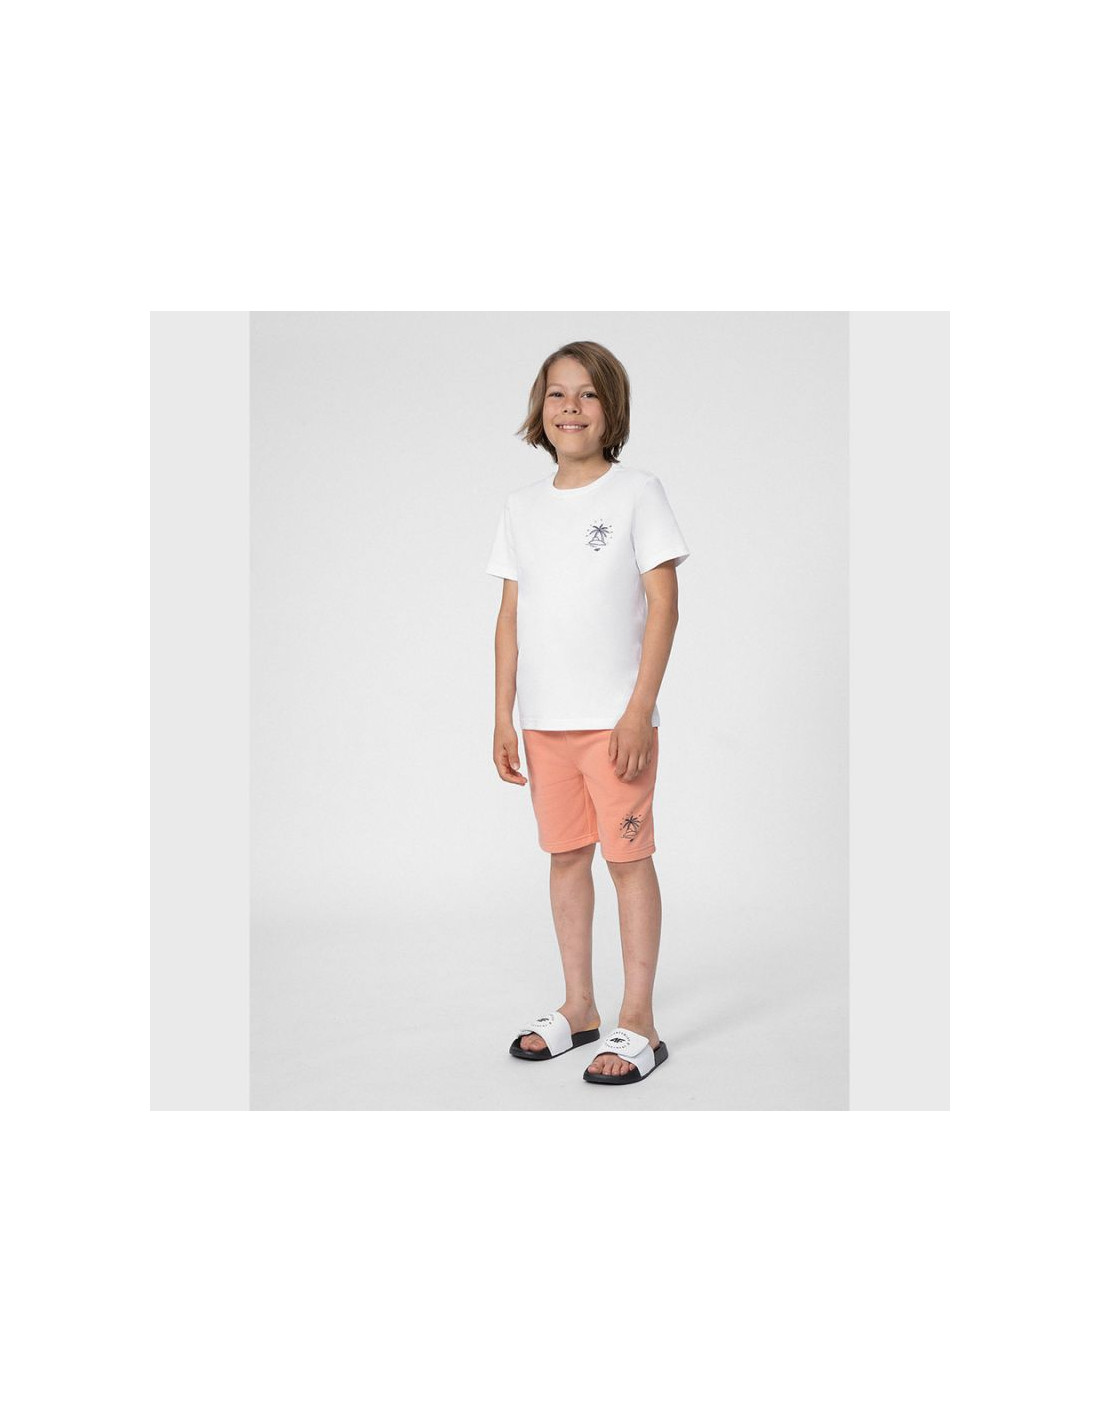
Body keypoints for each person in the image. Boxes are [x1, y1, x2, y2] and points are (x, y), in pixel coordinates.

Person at [485, 340, 690, 1084]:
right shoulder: (520, 508)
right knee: (566, 857)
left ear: (612, 409)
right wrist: (503, 716)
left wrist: (639, 710)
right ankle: (579, 1007)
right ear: (540, 409)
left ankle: (640, 1021)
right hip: (545, 724)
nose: (571, 407)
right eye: (557, 394)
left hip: (614, 725)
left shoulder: (638, 492)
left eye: (589, 394)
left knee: (627, 860)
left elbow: (664, 606)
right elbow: (510, 616)